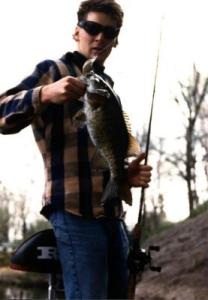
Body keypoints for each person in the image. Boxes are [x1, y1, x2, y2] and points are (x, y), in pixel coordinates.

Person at [0, 0, 152, 299]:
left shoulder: (107, 89)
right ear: (76, 31)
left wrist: (122, 174)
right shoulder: (52, 70)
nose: (99, 37)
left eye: (109, 32)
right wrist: (45, 92)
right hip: (73, 211)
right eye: (92, 28)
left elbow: (105, 146)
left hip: (112, 215)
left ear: (115, 40)